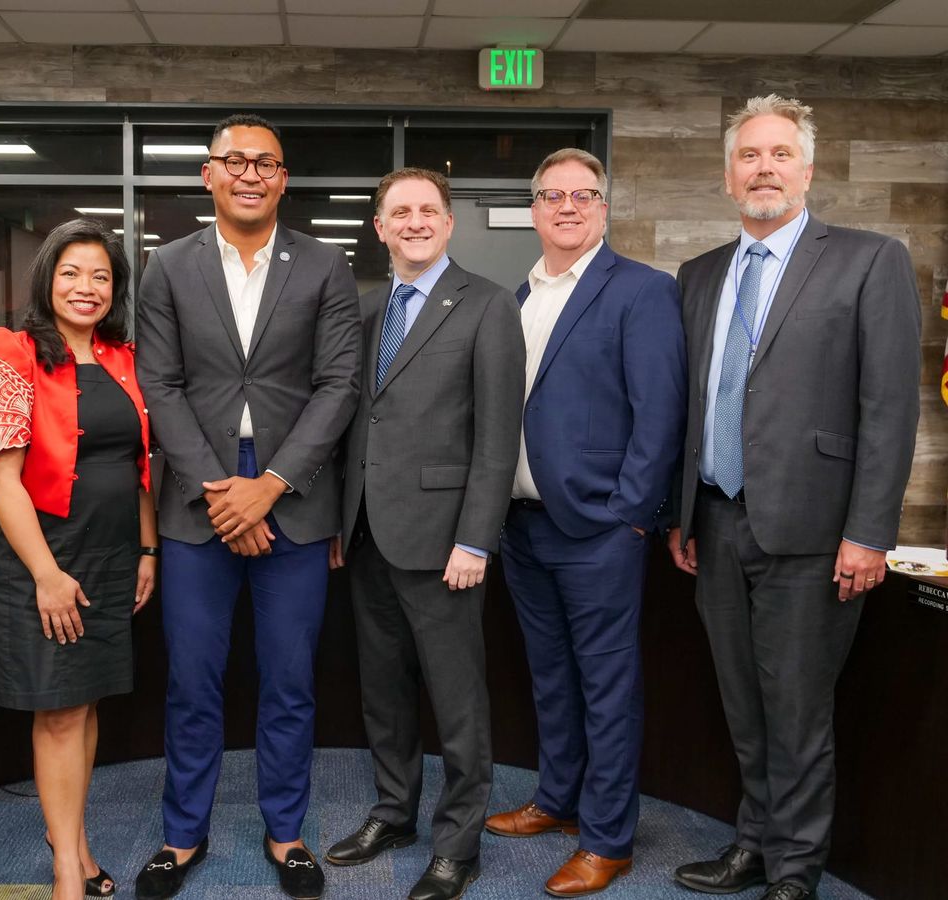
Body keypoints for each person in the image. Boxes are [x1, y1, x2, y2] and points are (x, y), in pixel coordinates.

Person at [667, 95, 920, 900]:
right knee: (742, 703)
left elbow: (889, 407)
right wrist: (682, 510)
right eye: (749, 155)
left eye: (780, 154)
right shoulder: (700, 274)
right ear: (727, 173)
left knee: (799, 711)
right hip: (715, 518)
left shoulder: (868, 260)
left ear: (806, 170)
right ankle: (751, 844)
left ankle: (795, 869)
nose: (764, 168)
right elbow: (692, 402)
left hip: (815, 532)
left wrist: (870, 532)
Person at [134, 113, 360, 900]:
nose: (250, 173)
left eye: (266, 162)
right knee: (192, 680)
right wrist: (219, 488)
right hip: (197, 495)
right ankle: (181, 836)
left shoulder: (326, 265)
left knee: (290, 680)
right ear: (209, 175)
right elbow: (158, 386)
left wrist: (273, 483)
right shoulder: (165, 267)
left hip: (293, 496)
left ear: (284, 178)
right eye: (235, 161)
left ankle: (286, 832)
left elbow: (339, 385)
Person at [484, 148, 687, 897]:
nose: (567, 206)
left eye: (583, 195)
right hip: (525, 526)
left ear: (604, 208)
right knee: (550, 678)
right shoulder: (519, 296)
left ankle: (609, 839)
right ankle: (557, 802)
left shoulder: (641, 291)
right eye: (552, 195)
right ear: (535, 210)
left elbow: (659, 413)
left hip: (599, 528)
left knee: (606, 685)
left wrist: (631, 515)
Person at [324, 167, 524, 900]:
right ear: (379, 227)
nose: (414, 221)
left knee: (458, 699)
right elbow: (357, 424)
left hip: (445, 543)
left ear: (448, 223)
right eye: (398, 212)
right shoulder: (366, 310)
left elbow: (499, 437)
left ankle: (457, 844)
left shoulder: (488, 305)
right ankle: (393, 812)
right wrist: (344, 521)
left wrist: (476, 539)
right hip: (370, 533)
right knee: (383, 691)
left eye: (427, 210)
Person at [0, 219, 157, 900]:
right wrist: (45, 574)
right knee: (61, 713)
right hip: (45, 558)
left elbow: (138, 465)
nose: (86, 286)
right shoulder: (6, 353)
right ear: (45, 278)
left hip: (111, 555)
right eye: (71, 272)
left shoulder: (123, 357)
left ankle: (70, 838)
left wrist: (147, 548)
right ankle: (68, 865)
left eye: (101, 275)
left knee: (86, 704)